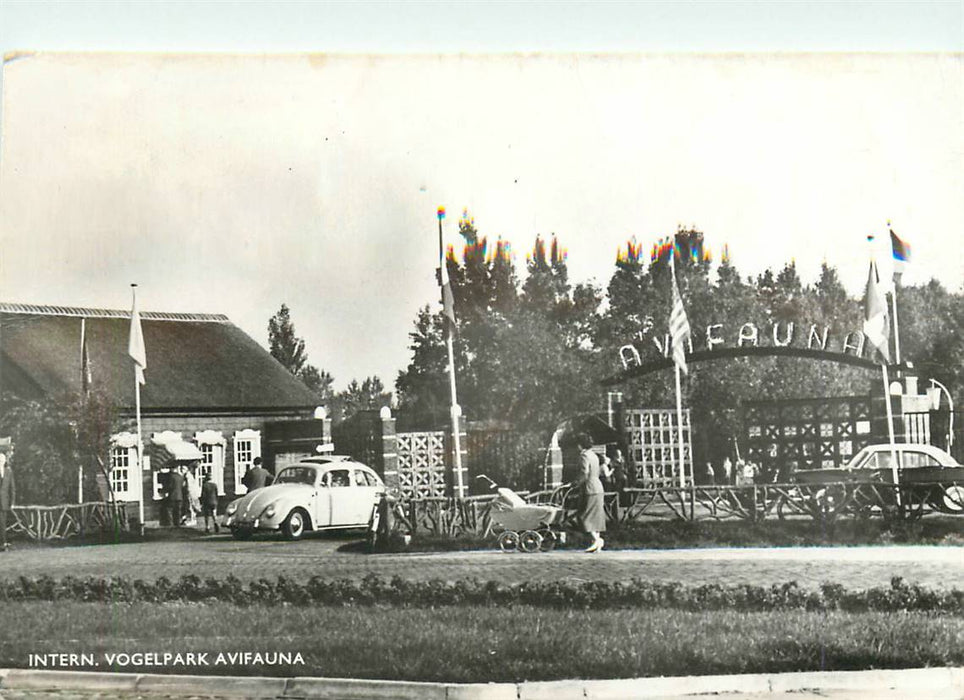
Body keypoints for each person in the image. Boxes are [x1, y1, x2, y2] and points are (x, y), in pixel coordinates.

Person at [573, 432, 606, 553]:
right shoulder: (594, 455)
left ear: (580, 445)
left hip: (589, 488)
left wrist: (576, 483)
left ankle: (596, 539)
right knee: (594, 516)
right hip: (598, 487)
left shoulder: (584, 456)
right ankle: (596, 541)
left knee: (583, 515)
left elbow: (584, 473)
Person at [0, 449, 15, 551]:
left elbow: (12, 488)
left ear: (5, 460)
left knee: (2, 523)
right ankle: (3, 543)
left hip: (4, 502)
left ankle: (3, 544)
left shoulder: (9, 471)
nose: (0, 461)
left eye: (2, 459)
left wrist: (12, 502)